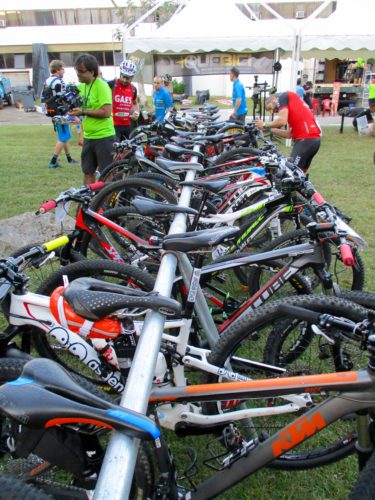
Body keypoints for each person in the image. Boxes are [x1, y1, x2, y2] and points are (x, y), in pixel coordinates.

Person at [69, 53, 116, 185]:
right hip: (89, 137)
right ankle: (89, 201)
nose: (78, 74)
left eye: (82, 72)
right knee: (88, 171)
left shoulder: (102, 86)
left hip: (104, 137)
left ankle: (108, 204)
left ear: (92, 71)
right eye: (77, 71)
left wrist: (83, 111)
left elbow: (106, 112)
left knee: (107, 173)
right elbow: (76, 106)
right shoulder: (80, 86)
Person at [255, 92, 321, 172]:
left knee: (290, 171)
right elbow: (288, 134)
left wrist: (265, 124)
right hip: (313, 140)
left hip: (306, 139)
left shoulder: (282, 97)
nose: (272, 111)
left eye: (270, 108)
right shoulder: (292, 106)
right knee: (300, 175)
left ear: (273, 99)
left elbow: (282, 121)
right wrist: (269, 129)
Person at [45, 60, 78, 168]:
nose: (64, 71)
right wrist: (73, 113)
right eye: (63, 69)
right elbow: (64, 99)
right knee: (64, 137)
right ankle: (53, 161)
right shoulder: (59, 82)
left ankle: (69, 158)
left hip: (52, 111)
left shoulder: (48, 80)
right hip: (59, 112)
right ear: (58, 69)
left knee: (64, 136)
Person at [107, 59, 140, 140]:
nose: (125, 80)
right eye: (123, 77)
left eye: (128, 78)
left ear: (132, 77)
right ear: (120, 74)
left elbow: (135, 103)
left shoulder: (133, 89)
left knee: (129, 149)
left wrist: (136, 112)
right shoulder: (111, 85)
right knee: (115, 150)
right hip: (114, 125)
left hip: (128, 125)